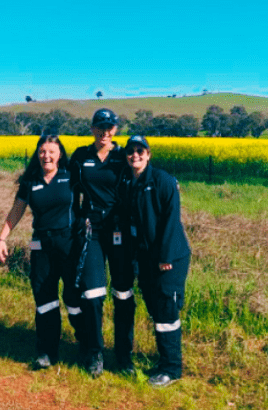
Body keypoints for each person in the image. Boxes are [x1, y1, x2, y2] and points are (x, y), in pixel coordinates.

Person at [0, 135, 85, 369]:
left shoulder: (71, 176)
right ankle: (47, 351)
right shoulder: (31, 181)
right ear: (38, 155)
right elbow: (17, 210)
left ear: (60, 154)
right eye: (42, 152)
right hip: (41, 248)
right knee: (45, 299)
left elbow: (100, 188)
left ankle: (86, 345)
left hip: (69, 245)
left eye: (51, 151)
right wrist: (2, 237)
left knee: (74, 298)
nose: (46, 156)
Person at [69, 108, 135, 377]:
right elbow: (69, 191)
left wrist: (169, 183)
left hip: (119, 233)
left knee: (123, 295)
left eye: (110, 127)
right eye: (100, 126)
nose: (105, 131)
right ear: (92, 128)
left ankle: (123, 354)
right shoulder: (80, 156)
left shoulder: (124, 155)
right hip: (91, 232)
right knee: (93, 295)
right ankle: (94, 351)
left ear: (116, 129)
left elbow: (146, 175)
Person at [121, 135, 191, 387]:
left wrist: (165, 257)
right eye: (131, 151)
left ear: (149, 154)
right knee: (156, 309)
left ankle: (172, 370)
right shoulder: (130, 182)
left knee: (166, 311)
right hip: (146, 258)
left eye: (140, 151)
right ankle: (165, 361)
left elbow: (171, 221)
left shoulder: (163, 181)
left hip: (169, 258)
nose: (135, 155)